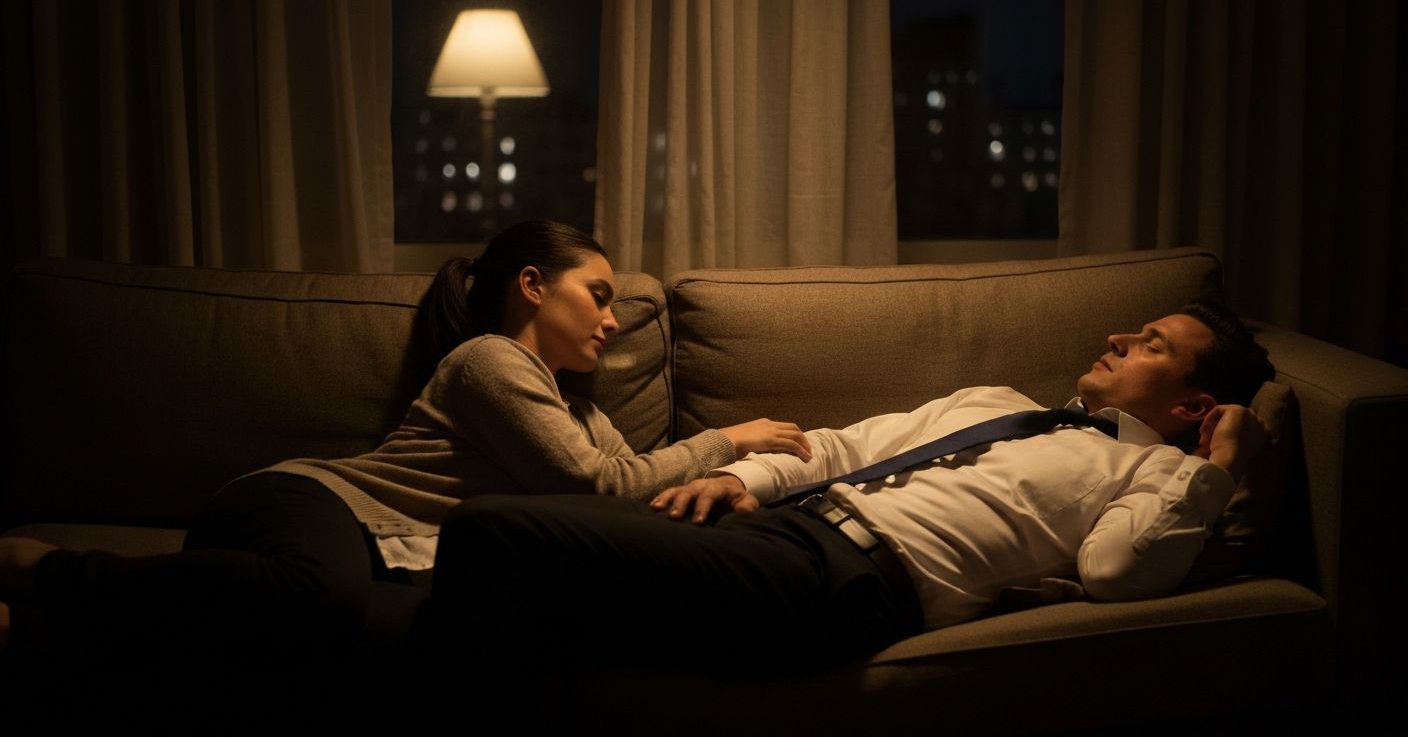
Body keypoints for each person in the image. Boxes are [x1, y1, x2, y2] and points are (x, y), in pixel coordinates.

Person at [0, 221, 811, 661]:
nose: (611, 318)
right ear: (532, 286)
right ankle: (46, 571)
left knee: (390, 637)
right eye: (597, 296)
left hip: (380, 550)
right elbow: (600, 487)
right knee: (324, 598)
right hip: (305, 500)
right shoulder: (489, 360)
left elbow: (627, 478)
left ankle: (62, 638)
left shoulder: (585, 415)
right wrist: (727, 439)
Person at [431, 298, 1276, 682]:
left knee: (490, 535)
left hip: (849, 582)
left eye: (1150, 344)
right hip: (775, 528)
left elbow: (1119, 573)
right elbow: (841, 446)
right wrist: (734, 474)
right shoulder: (997, 403)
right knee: (523, 566)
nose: (1118, 337)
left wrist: (1215, 468)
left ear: (1193, 405)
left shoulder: (1147, 475)